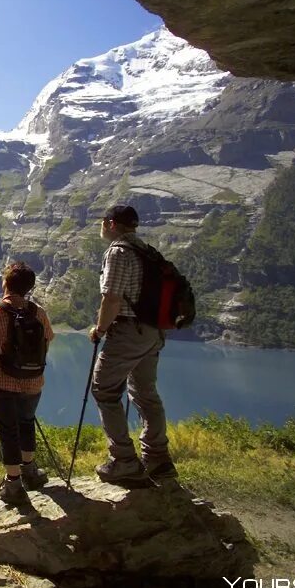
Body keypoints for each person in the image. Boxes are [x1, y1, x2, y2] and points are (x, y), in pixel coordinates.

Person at [87, 204, 177, 484]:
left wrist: (100, 329)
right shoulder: (147, 252)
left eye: (104, 221)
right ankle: (158, 459)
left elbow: (111, 298)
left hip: (128, 331)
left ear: (112, 223)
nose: (101, 226)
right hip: (153, 333)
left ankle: (124, 460)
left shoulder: (118, 252)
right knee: (145, 392)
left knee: (104, 389)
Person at [0, 262, 56, 506]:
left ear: (6, 283)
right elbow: (46, 344)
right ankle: (30, 471)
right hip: (32, 381)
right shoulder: (38, 312)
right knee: (26, 422)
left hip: (0, 382)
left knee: (8, 430)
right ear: (29, 287)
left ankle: (13, 483)